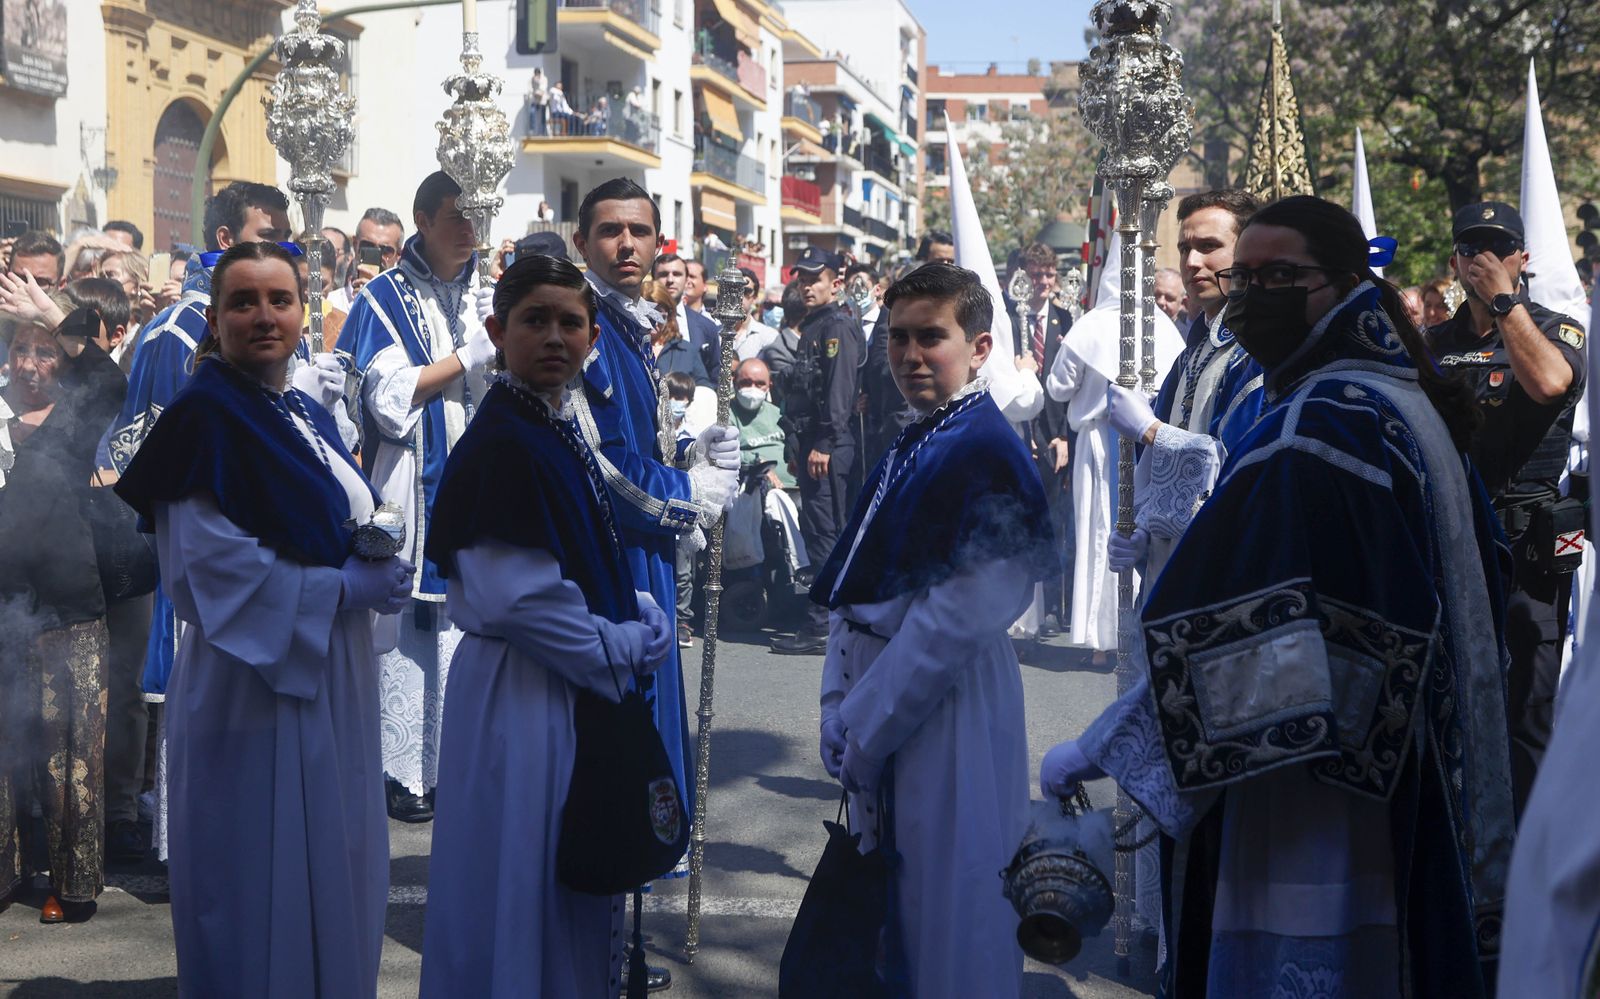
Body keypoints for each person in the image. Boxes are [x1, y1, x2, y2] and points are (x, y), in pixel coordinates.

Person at [1042, 196, 1513, 998]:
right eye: (1247, 275)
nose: (1254, 292)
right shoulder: (1395, 399)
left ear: (1341, 283)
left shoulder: (1322, 423)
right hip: (1415, 762)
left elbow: (1231, 634)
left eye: (1280, 275)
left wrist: (1097, 748)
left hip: (1313, 787)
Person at [114, 240, 410, 995]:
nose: (263, 315)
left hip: (328, 675)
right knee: (260, 882)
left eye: (279, 299)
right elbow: (206, 569)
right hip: (253, 684)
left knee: (331, 872)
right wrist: (343, 590)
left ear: (304, 312)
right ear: (214, 319)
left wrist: (377, 555)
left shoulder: (302, 409)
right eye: (242, 302)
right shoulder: (202, 417)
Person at [418, 254, 672, 996]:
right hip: (521, 694)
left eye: (571, 322)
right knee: (520, 882)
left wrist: (637, 609)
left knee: (554, 891)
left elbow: (579, 553)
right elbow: (516, 598)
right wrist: (624, 642)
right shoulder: (504, 440)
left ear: (593, 335)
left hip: (556, 686)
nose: (555, 336)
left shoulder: (547, 424)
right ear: (498, 331)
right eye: (535, 320)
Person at [812, 263, 1054, 999]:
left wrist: (864, 723)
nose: (911, 354)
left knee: (956, 919)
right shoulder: (916, 438)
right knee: (897, 928)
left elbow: (953, 623)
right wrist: (834, 701)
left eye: (931, 338)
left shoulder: (985, 448)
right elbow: (858, 588)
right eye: (898, 338)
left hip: (948, 713)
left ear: (979, 347)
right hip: (885, 710)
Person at [569, 178, 738, 880]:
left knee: (655, 710)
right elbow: (607, 465)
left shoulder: (634, 321)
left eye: (640, 231)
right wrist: (692, 494)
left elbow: (645, 443)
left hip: (648, 549)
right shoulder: (586, 328)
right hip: (610, 552)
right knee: (625, 723)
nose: (627, 243)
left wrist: (693, 455)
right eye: (610, 230)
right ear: (583, 242)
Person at [343, 171, 496, 824]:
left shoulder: (486, 292)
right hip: (408, 483)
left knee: (465, 628)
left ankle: (456, 761)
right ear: (423, 220)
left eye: (477, 217)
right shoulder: (380, 298)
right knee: (405, 633)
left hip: (479, 482)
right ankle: (401, 770)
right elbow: (386, 395)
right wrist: (470, 354)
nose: (469, 229)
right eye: (455, 217)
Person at [107, 181, 293, 717]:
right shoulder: (176, 331)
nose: (281, 247)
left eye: (286, 237)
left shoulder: (274, 323)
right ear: (226, 237)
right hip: (207, 559)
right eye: (268, 235)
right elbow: (166, 468)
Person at [1427, 201, 1586, 815]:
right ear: (1454, 262)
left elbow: (1549, 383)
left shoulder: (1554, 326)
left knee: (1529, 706)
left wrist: (1503, 303)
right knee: (1452, 693)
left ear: (1522, 259)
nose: (1483, 260)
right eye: (1470, 250)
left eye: (1497, 249)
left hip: (1528, 550)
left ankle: (1532, 852)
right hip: (1455, 539)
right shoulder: (1434, 342)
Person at [0, 306, 127, 923]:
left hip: (69, 601)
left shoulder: (75, 417)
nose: (29, 364)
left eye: (44, 351)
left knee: (71, 748)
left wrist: (55, 316)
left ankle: (71, 883)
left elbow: (110, 382)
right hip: (3, 604)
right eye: (21, 349)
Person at [1047, 230, 1183, 659]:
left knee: (1100, 533)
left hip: (1098, 442)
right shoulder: (1162, 326)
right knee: (1135, 529)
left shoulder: (1088, 326)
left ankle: (1101, 639)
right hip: (1146, 440)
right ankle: (1131, 633)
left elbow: (1057, 388)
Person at [772, 247, 865, 655]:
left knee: (826, 532)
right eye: (803, 279)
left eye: (816, 278)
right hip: (812, 442)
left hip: (830, 445)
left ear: (836, 283)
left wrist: (824, 444)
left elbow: (838, 393)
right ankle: (827, 618)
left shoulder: (837, 327)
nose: (807, 286)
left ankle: (824, 622)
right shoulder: (816, 324)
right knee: (818, 529)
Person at [1008, 242, 1075, 636]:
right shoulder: (1009, 319)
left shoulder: (1066, 320)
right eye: (1036, 275)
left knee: (1053, 523)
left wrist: (1064, 435)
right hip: (1018, 435)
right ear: (1022, 277)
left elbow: (1073, 386)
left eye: (1049, 275)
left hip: (1054, 437)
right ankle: (1018, 607)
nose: (1044, 282)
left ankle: (1053, 607)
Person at [651, 252, 718, 384]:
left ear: (686, 279)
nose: (670, 280)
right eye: (663, 274)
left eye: (677, 274)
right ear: (653, 278)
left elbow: (715, 376)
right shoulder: (639, 321)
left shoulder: (707, 327)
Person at [331, 207, 406, 312]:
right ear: (355, 244)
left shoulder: (404, 310)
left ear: (398, 255)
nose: (376, 255)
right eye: (367, 246)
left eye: (386, 250)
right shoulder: (331, 304)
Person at [644, 283, 712, 388]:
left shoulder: (687, 350)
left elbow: (704, 390)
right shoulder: (627, 346)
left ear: (669, 315)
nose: (653, 322)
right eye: (647, 316)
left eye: (659, 316)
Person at [527, 66, 550, 136]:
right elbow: (530, 89)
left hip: (542, 100)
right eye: (536, 73)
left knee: (542, 117)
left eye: (538, 73)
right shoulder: (531, 79)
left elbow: (543, 88)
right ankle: (532, 129)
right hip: (534, 100)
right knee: (532, 113)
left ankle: (542, 132)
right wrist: (534, 92)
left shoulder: (544, 79)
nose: (537, 74)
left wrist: (538, 82)